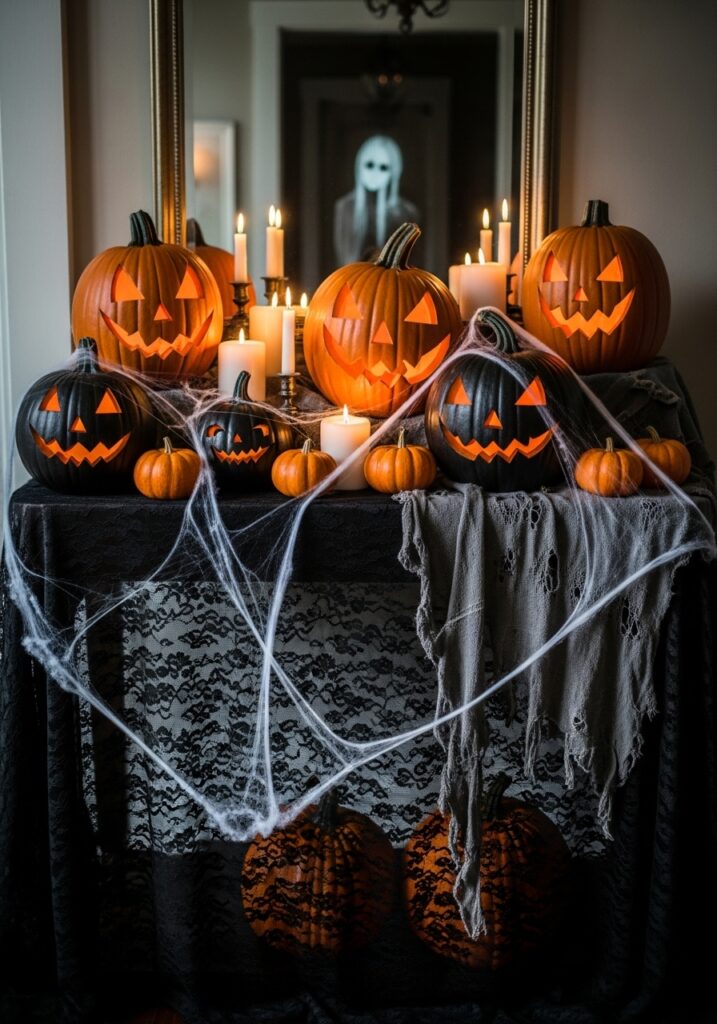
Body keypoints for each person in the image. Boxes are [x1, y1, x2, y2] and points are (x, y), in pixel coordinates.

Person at [333, 135, 419, 265]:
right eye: (370, 165)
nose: (375, 173)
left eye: (383, 167)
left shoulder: (406, 212)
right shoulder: (345, 207)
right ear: (359, 165)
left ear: (394, 172)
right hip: (353, 279)